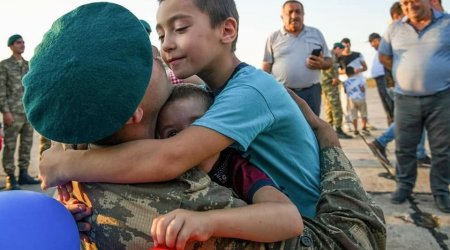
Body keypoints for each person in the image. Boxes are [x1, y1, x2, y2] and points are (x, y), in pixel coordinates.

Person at [25, 4, 386, 249]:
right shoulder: (185, 191)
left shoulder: (80, 150)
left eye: (177, 30)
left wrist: (66, 173)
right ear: (135, 111)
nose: (163, 50)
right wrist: (328, 141)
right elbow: (171, 158)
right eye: (150, 55)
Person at [39, 0, 322, 219]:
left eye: (180, 29)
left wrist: (66, 164)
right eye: (162, 35)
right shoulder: (213, 85)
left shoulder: (249, 92)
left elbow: (170, 157)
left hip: (306, 221)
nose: (167, 45)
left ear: (227, 30)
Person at [152, 83, 302, 247]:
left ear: (220, 124)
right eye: (173, 133)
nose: (187, 139)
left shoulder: (235, 168)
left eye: (197, 124)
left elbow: (290, 219)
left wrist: (207, 222)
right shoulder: (165, 174)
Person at [378, 0, 450, 212]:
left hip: (442, 98)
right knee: (404, 147)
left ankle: (441, 192)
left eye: (415, 0)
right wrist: (405, 71)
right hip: (405, 99)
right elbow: (384, 56)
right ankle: (404, 186)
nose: (410, 5)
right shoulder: (394, 28)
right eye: (405, 2)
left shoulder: (446, 23)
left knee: (442, 148)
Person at [367, 2, 431, 168]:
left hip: (405, 84)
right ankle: (381, 143)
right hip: (401, 85)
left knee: (416, 118)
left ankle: (419, 153)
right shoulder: (397, 32)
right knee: (409, 118)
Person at [262, 0, 332, 116]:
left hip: (311, 92)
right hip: (283, 92)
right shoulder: (273, 37)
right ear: (282, 17)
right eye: (290, 12)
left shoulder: (316, 34)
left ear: (303, 15)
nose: (294, 16)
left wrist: (321, 64)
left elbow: (329, 61)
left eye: (298, 12)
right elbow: (266, 65)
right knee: (286, 128)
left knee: (312, 129)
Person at [0, 34, 40, 190]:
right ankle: (10, 177)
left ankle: (23, 174)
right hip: (12, 112)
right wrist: (5, 112)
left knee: (26, 144)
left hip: (27, 112)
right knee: (10, 145)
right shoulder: (4, 65)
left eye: (23, 42)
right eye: (18, 42)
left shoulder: (28, 65)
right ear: (10, 45)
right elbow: (1, 90)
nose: (22, 45)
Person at [320, 42, 352, 139]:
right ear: (337, 48)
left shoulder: (327, 54)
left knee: (329, 108)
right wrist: (335, 78)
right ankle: (338, 129)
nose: (342, 53)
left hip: (324, 84)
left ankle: (329, 129)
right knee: (336, 107)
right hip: (330, 84)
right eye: (341, 50)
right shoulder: (331, 55)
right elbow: (330, 68)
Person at [368, 33, 394, 126]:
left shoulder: (386, 50)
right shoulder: (378, 52)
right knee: (385, 103)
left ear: (378, 40)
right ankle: (391, 123)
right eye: (371, 43)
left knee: (390, 101)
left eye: (373, 42)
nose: (372, 45)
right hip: (379, 80)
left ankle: (394, 123)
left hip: (385, 78)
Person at [343, 67, 369, 136]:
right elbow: (363, 89)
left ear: (346, 73)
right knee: (363, 113)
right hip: (360, 98)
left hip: (351, 100)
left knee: (354, 115)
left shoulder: (345, 82)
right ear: (354, 72)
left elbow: (345, 91)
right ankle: (364, 127)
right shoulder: (360, 79)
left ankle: (356, 129)